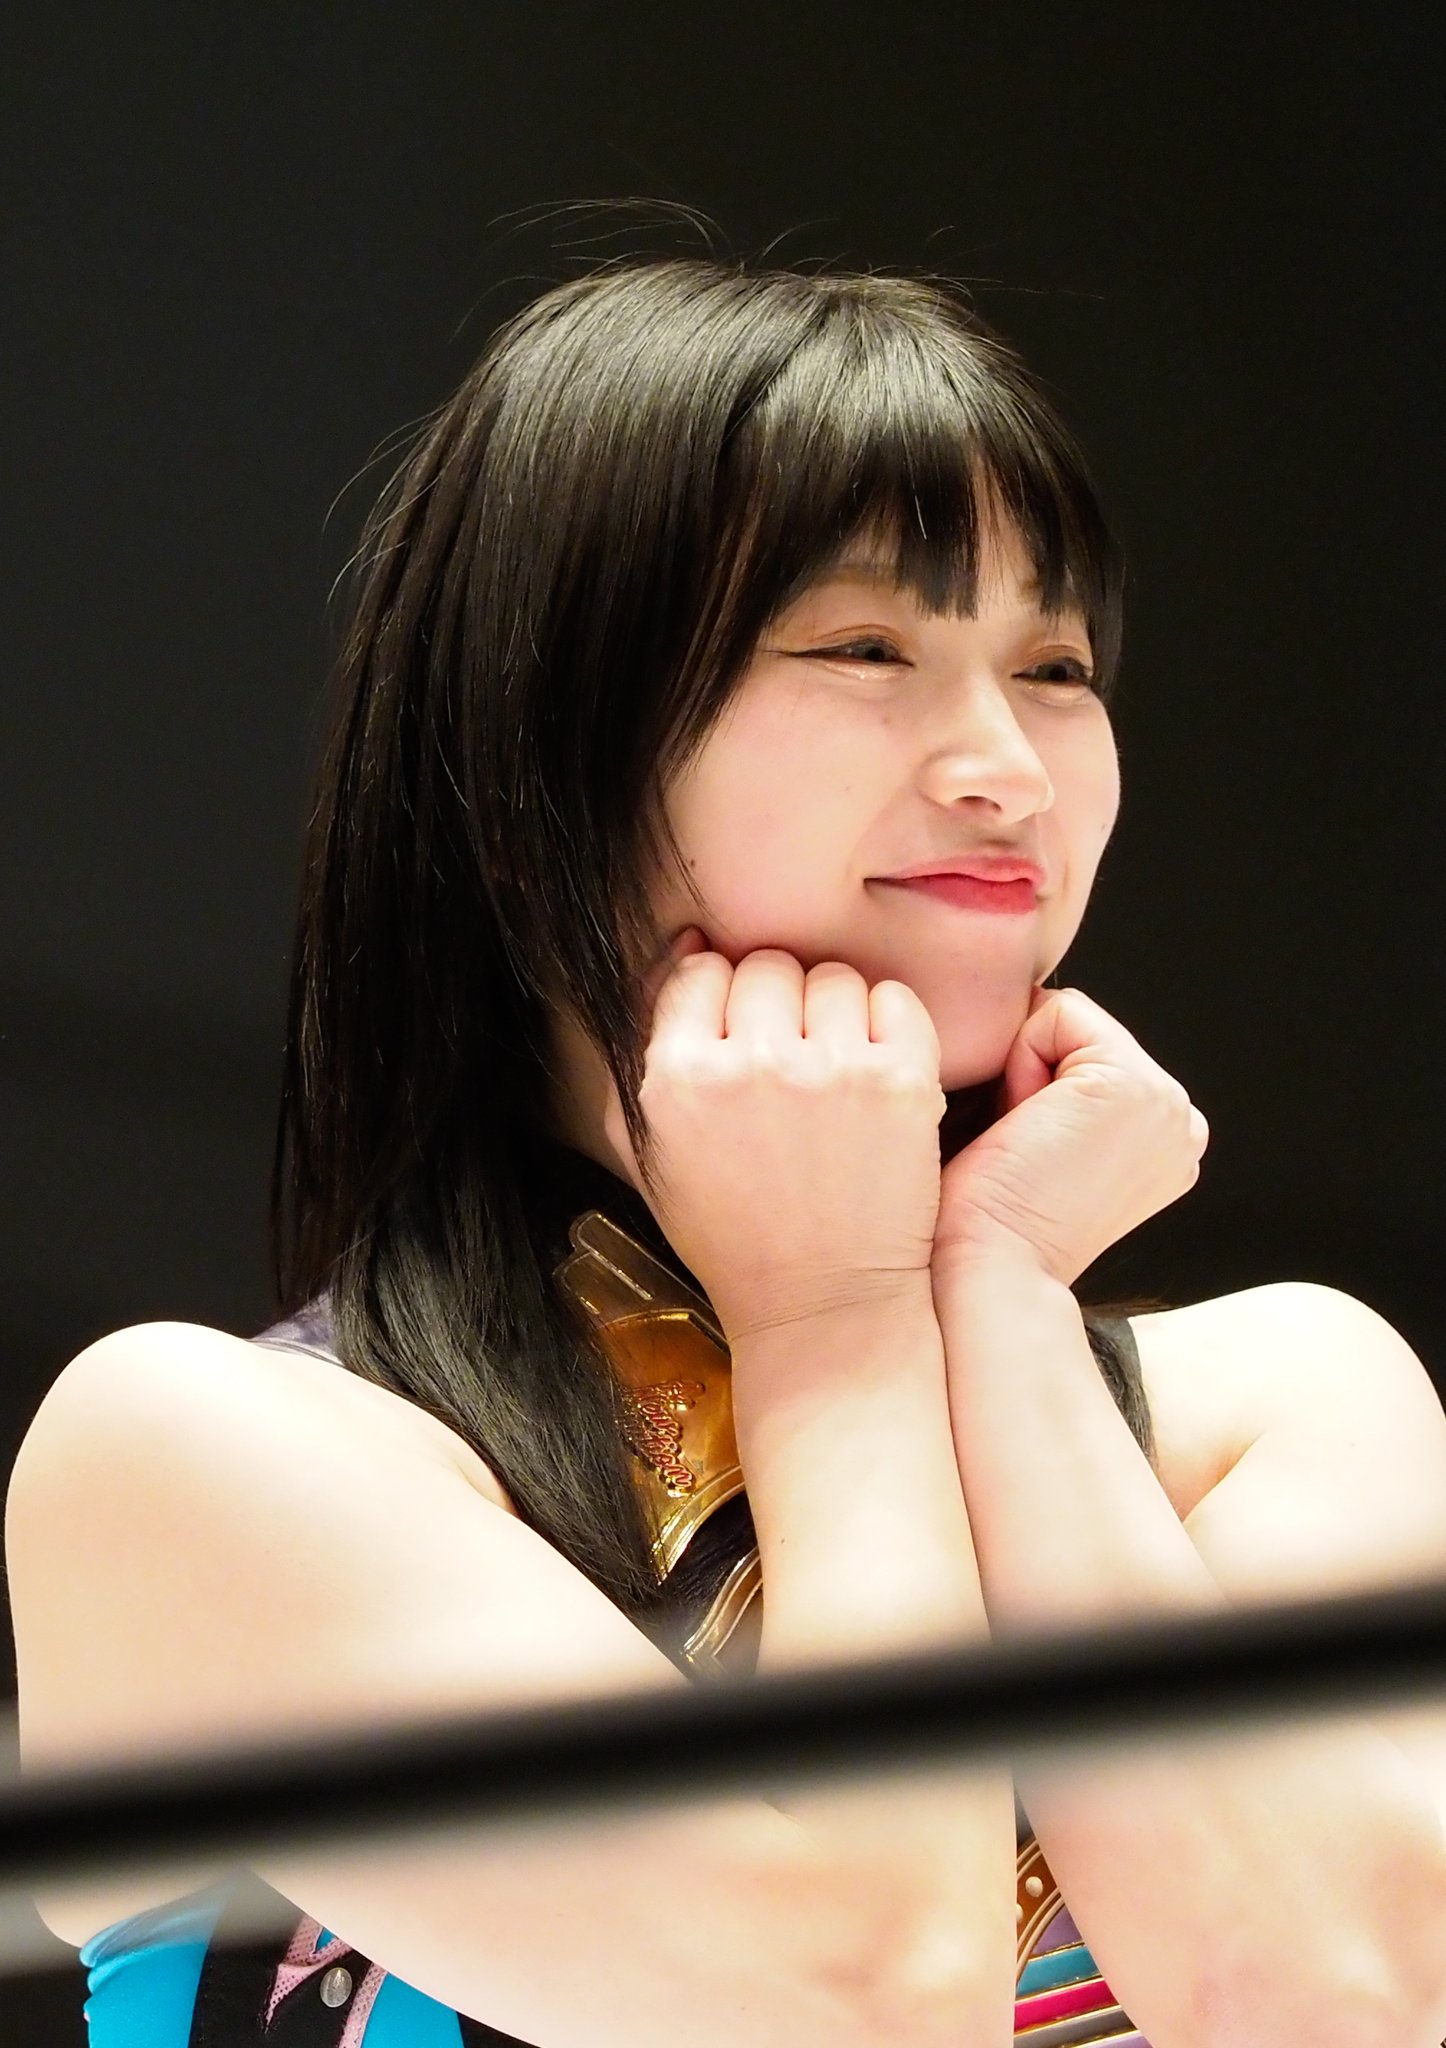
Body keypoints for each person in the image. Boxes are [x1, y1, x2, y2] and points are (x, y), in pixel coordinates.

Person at [8, 251, 1446, 2048]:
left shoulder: (1288, 1399)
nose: (1006, 766)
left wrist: (989, 1297)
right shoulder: (196, 1463)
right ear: (547, 745)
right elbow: (868, 2009)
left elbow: (1339, 2013)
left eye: (1054, 665)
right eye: (866, 649)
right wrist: (831, 1331)